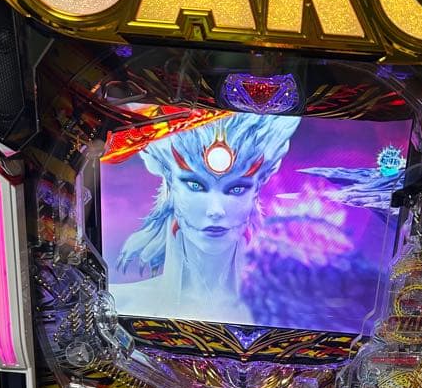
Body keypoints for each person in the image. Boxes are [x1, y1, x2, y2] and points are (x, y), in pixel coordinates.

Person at [111, 112, 300, 325]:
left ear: (255, 191)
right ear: (170, 185)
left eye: (237, 188)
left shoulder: (290, 315)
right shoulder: (117, 304)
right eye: (195, 185)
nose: (215, 210)